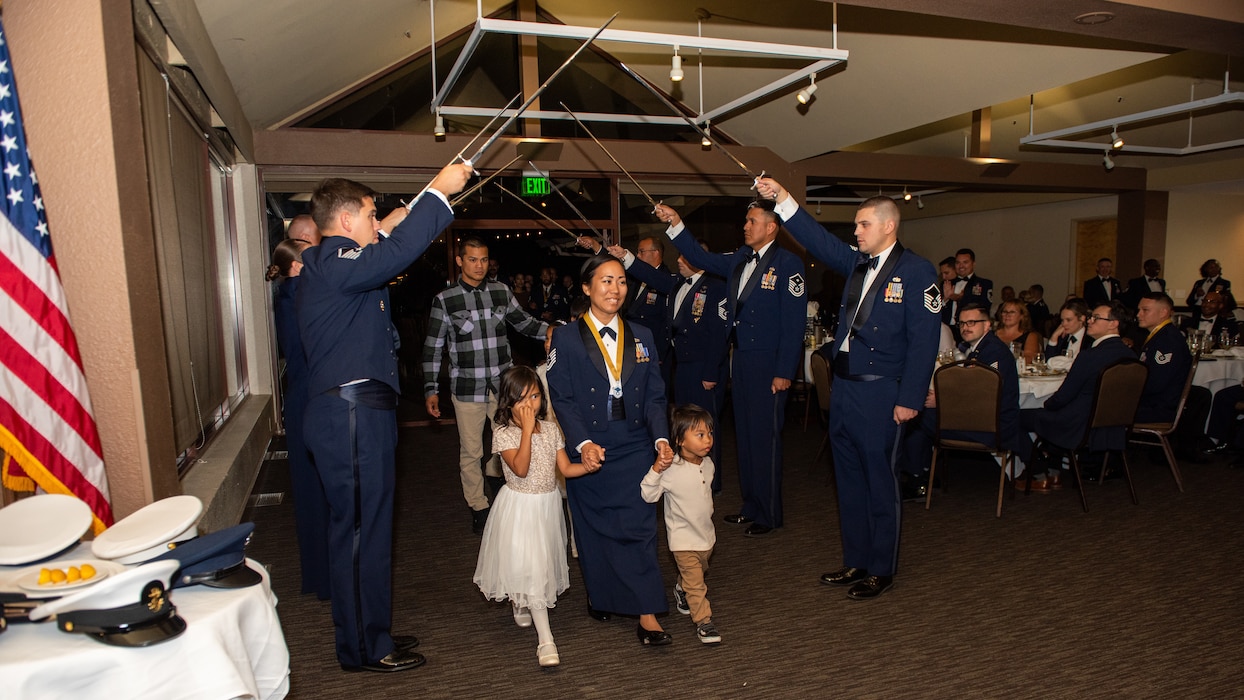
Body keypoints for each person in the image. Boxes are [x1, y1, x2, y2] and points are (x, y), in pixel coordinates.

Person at [298, 165, 472, 673]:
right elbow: (389, 255)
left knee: (369, 530)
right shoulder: (332, 260)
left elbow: (383, 245)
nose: (377, 221)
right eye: (370, 215)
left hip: (357, 411)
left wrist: (395, 221)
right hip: (350, 413)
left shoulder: (340, 260)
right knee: (358, 535)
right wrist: (437, 192)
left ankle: (371, 630)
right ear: (347, 220)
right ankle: (362, 647)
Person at [753, 179, 941, 601]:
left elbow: (925, 340)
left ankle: (881, 567)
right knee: (849, 479)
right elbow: (818, 241)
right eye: (856, 226)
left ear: (888, 227)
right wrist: (783, 200)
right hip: (847, 389)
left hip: (883, 392)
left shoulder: (917, 271)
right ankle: (856, 559)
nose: (855, 232)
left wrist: (910, 398)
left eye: (863, 225)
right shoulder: (857, 263)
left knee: (879, 479)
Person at [651, 199, 806, 538]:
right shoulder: (739, 259)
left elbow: (794, 326)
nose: (746, 226)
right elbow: (702, 257)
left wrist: (784, 371)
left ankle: (770, 512)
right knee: (747, 438)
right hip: (744, 360)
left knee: (766, 440)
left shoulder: (788, 264)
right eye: (746, 221)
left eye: (752, 221)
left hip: (770, 364)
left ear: (770, 226)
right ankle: (751, 505)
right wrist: (676, 222)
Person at [546, 255, 675, 646]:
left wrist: (661, 438)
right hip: (590, 443)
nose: (615, 289)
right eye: (605, 281)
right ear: (587, 288)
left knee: (638, 528)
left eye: (621, 281)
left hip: (635, 442)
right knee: (594, 527)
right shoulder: (566, 338)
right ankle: (600, 594)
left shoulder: (643, 336)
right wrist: (582, 444)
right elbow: (562, 398)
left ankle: (648, 612)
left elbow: (655, 395)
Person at [423, 238, 552, 534]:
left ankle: (509, 494)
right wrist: (431, 388)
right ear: (460, 261)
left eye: (483, 260)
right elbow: (432, 347)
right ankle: (478, 507)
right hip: (467, 389)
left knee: (511, 443)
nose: (479, 266)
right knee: (471, 451)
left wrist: (558, 329)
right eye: (472, 260)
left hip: (502, 387)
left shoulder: (500, 291)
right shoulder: (445, 299)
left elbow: (525, 324)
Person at [473, 365, 595, 667]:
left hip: (547, 505)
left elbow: (565, 469)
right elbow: (521, 468)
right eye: (523, 399)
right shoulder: (503, 433)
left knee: (537, 564)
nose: (530, 405)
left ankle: (523, 599)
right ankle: (546, 641)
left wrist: (589, 466)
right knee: (527, 563)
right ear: (508, 402)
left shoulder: (552, 429)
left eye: (536, 396)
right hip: (520, 506)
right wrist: (527, 430)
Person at [609, 241, 731, 486]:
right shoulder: (677, 285)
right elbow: (648, 274)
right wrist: (626, 256)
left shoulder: (716, 288)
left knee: (705, 424)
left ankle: (711, 479)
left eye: (685, 258)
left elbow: (720, 335)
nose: (678, 261)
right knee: (684, 422)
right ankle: (688, 472)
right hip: (683, 364)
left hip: (703, 367)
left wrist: (711, 373)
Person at [901, 304, 1030, 499]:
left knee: (917, 415)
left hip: (992, 427)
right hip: (982, 420)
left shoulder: (994, 352)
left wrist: (943, 402)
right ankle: (921, 476)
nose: (965, 327)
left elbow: (986, 397)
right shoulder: (981, 348)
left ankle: (918, 478)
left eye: (972, 322)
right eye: (961, 323)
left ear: (987, 325)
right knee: (919, 412)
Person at [267, 238, 330, 600]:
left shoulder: (289, 294)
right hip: (309, 399)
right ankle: (324, 578)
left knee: (313, 493)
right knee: (315, 492)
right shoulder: (295, 297)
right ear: (295, 268)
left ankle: (320, 574)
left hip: (302, 397)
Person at [1020, 301, 1136, 492]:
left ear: (1113, 323)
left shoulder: (1090, 356)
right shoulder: (1130, 355)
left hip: (1079, 424)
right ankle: (1054, 471)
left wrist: (1046, 405)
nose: (1090, 321)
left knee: (1013, 417)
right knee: (1052, 415)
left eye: (1096, 318)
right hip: (1112, 425)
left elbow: (1063, 397)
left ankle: (1038, 473)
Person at [640, 403, 721, 645]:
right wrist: (656, 468)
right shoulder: (671, 469)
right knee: (697, 585)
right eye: (700, 434)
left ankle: (680, 588)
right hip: (683, 541)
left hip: (706, 537)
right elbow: (648, 494)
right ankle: (704, 622)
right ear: (680, 440)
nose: (708, 440)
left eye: (709, 433)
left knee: (696, 573)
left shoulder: (708, 464)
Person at [1134, 292, 1192, 424]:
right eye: (1139, 310)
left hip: (1158, 407)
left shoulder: (1168, 340)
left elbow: (1156, 383)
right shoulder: (1160, 336)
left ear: (1163, 312)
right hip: (1152, 402)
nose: (1138, 315)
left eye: (1145, 310)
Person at [946, 248, 993, 338]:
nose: (961, 266)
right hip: (947, 330)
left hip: (969, 329)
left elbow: (984, 308)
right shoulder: (947, 283)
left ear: (973, 264)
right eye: (958, 263)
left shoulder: (983, 284)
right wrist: (945, 299)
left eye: (965, 262)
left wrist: (960, 299)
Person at [937, 257, 957, 328]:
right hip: (945, 324)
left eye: (946, 273)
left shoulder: (965, 285)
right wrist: (945, 299)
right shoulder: (942, 285)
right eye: (942, 274)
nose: (944, 277)